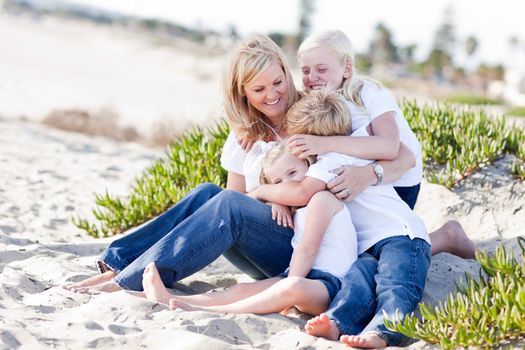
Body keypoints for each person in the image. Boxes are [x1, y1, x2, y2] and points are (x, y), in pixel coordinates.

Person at [63, 34, 470, 308]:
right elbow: (227, 206)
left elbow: (391, 153)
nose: (273, 95)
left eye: (278, 81)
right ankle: (121, 265)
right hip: (279, 238)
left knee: (228, 204)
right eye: (259, 90)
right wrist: (264, 198)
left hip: (320, 233)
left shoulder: (316, 112)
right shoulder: (244, 136)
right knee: (211, 194)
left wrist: (363, 176)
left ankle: (127, 277)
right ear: (242, 94)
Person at [250, 88, 431, 348]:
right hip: (366, 246)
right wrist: (277, 197)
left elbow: (300, 193)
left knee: (396, 283)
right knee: (357, 285)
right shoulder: (327, 160)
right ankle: (337, 323)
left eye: (297, 137)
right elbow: (295, 185)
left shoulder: (331, 160)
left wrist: (261, 191)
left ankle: (383, 332)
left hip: (400, 235)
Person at [289, 29, 475, 259]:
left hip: (397, 182)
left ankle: (447, 237)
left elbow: (389, 147)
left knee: (370, 247)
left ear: (347, 68)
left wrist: (324, 144)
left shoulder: (367, 93)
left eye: (321, 69)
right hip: (360, 177)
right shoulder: (319, 100)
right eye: (305, 70)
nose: (311, 77)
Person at [141, 141, 357, 317]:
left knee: (291, 288)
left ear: (309, 166)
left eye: (292, 173)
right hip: (299, 275)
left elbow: (308, 249)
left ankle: (205, 309)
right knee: (242, 290)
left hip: (331, 284)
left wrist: (287, 281)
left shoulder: (322, 199)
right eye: (278, 181)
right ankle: (172, 300)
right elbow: (244, 199)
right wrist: (277, 199)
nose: (287, 183)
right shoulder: (296, 208)